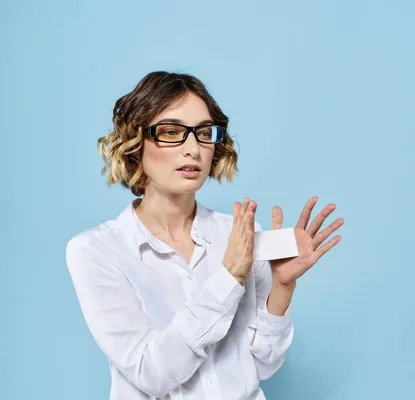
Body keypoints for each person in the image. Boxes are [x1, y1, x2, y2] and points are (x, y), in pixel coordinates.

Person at [65, 71, 344, 400]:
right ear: (136, 144)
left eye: (203, 133)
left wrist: (282, 288)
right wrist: (228, 278)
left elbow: (264, 364)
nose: (193, 149)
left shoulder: (241, 234)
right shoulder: (97, 251)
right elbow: (151, 374)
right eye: (171, 132)